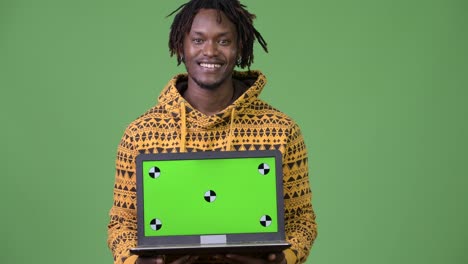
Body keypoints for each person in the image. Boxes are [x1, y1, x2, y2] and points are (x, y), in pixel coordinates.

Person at [107, 0, 317, 263]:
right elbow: (122, 222)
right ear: (180, 46)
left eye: (223, 41)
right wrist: (135, 262)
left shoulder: (281, 130)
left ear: (239, 47)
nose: (210, 51)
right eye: (197, 40)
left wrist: (284, 258)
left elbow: (301, 220)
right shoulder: (141, 134)